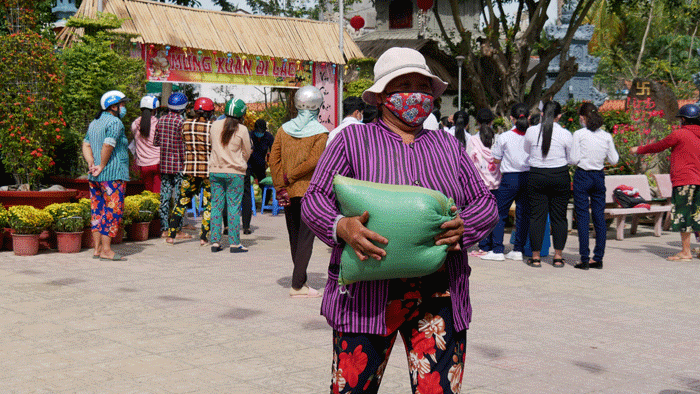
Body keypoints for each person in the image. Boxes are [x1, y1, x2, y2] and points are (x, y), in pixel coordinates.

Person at [301, 47, 497, 393]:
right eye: (403, 85)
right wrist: (340, 226)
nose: (415, 94)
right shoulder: (352, 141)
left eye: (422, 86)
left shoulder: (448, 147)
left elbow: (484, 202)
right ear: (380, 96)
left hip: (439, 295)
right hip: (367, 296)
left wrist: (465, 225)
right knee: (353, 388)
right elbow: (315, 199)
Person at [268, 85, 328, 298]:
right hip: (309, 192)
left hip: (287, 192)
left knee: (294, 237)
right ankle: (297, 285)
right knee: (305, 239)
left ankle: (300, 280)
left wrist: (280, 185)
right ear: (318, 107)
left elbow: (273, 159)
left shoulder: (284, 130)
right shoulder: (321, 133)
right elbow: (314, 161)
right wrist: (290, 177)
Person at [630, 103, 700, 261]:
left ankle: (686, 251)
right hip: (698, 181)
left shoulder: (680, 134)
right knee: (697, 215)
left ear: (684, 119)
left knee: (684, 217)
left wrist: (638, 149)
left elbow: (659, 146)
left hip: (684, 181)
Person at [82, 90, 130, 261]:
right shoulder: (115, 122)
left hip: (94, 176)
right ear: (113, 106)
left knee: (97, 210)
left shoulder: (95, 123)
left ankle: (97, 249)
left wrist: (91, 164)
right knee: (112, 210)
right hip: (112, 174)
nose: (124, 108)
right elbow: (108, 144)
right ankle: (107, 250)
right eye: (122, 104)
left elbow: (86, 144)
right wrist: (102, 165)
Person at [523, 100, 573, 268]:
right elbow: (573, 159)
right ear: (559, 116)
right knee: (559, 218)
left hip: (537, 175)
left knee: (537, 217)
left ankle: (536, 258)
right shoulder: (566, 134)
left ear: (542, 113)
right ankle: (558, 257)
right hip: (560, 175)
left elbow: (526, 150)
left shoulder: (531, 131)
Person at [570, 102, 619, 270]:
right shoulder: (606, 136)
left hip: (583, 175)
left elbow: (574, 159)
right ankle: (598, 258)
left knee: (582, 216)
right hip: (599, 176)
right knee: (599, 217)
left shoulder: (579, 134)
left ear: (582, 117)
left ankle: (584, 258)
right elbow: (614, 160)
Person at [484, 103, 531, 261]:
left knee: (499, 213)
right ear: (528, 117)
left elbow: (496, 159)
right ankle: (518, 249)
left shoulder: (504, 137)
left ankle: (497, 250)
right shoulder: (532, 135)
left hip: (510, 178)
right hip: (528, 176)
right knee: (523, 214)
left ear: (511, 118)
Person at [166, 96, 214, 246]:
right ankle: (203, 238)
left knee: (181, 202)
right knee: (208, 205)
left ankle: (171, 235)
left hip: (190, 170)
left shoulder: (185, 124)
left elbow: (183, 141)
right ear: (210, 112)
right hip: (207, 171)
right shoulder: (212, 127)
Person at [209, 98, 252, 253]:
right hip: (235, 173)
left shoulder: (214, 125)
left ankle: (215, 242)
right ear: (242, 114)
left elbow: (211, 144)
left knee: (216, 206)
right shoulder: (242, 129)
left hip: (215, 171)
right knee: (233, 207)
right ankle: (234, 243)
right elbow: (247, 151)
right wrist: (240, 161)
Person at [467, 108, 501, 257]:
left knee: (482, 215)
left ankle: (484, 245)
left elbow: (468, 160)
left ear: (477, 123)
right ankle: (496, 246)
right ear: (492, 121)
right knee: (497, 215)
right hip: (498, 182)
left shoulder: (473, 139)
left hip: (480, 184)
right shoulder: (499, 138)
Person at [154, 92, 187, 237]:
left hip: (165, 165)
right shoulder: (182, 122)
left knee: (165, 197)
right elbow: (184, 145)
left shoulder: (160, 120)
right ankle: (177, 229)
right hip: (179, 165)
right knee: (180, 198)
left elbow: (156, 142)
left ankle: (164, 229)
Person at [241, 119, 274, 235]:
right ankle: (246, 207)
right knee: (247, 188)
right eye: (258, 131)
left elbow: (274, 151)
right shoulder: (249, 135)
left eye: (262, 131)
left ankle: (264, 204)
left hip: (260, 165)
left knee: (262, 183)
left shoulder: (269, 137)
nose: (259, 133)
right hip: (249, 164)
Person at [131, 95, 161, 193]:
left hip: (143, 165)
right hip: (157, 163)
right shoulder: (158, 124)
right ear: (155, 109)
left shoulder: (135, 124)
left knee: (148, 194)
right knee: (157, 194)